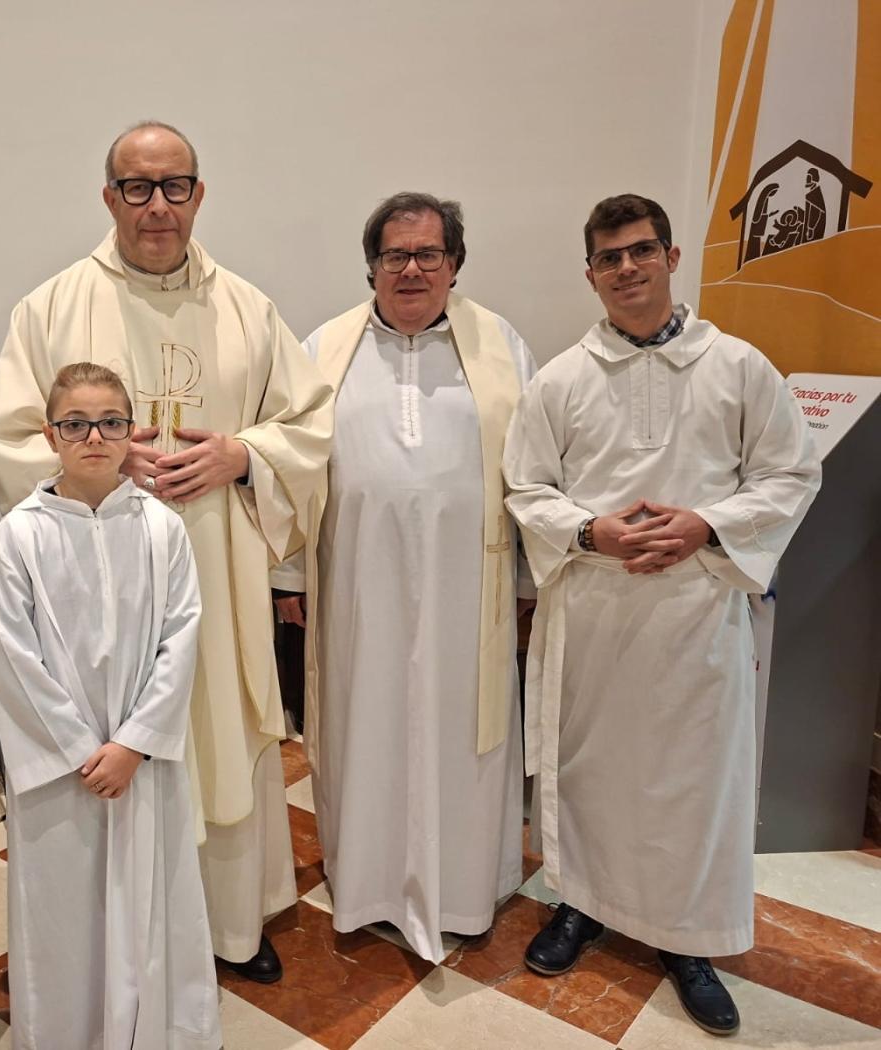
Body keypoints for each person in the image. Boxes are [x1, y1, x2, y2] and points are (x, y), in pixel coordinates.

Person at [0, 120, 333, 983]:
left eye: (175, 186)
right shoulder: (51, 307)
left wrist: (242, 455)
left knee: (214, 727)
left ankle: (228, 927)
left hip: (216, 558)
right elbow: (6, 433)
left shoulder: (249, 307)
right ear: (109, 198)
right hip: (98, 582)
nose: (157, 206)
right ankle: (122, 935)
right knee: (118, 732)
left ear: (199, 194)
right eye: (137, 188)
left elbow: (309, 426)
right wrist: (103, 455)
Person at [503, 195, 820, 1036]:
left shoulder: (741, 367)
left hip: (696, 611)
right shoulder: (561, 379)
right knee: (592, 768)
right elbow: (525, 488)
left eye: (642, 251)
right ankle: (581, 905)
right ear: (590, 275)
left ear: (673, 257)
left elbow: (791, 475)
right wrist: (590, 530)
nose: (628, 269)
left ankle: (689, 938)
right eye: (610, 258)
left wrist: (707, 524)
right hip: (596, 611)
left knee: (692, 779)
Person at [273, 192, 536, 962]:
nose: (412, 269)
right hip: (358, 585)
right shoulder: (323, 346)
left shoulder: (503, 346)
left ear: (454, 264)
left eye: (429, 254)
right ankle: (370, 881)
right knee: (366, 716)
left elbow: (535, 473)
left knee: (462, 725)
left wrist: (525, 588)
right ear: (372, 266)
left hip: (472, 592)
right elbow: (291, 464)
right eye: (396, 255)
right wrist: (289, 575)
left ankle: (462, 888)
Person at [0, 362, 221, 1049]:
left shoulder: (160, 528)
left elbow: (183, 635)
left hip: (143, 762)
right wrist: (86, 751)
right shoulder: (18, 537)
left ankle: (161, 1030)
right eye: (76, 424)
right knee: (64, 909)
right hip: (64, 771)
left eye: (111, 422)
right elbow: (13, 657)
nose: (95, 437)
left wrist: (135, 743)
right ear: (51, 435)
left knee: (154, 894)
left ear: (131, 431)